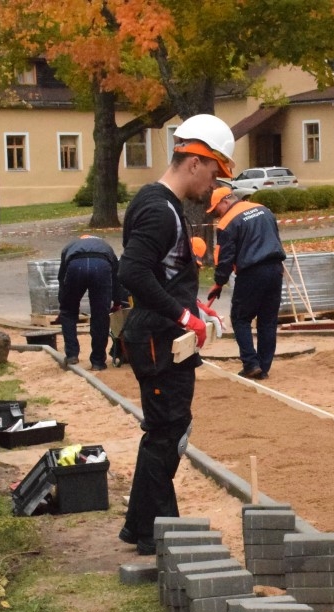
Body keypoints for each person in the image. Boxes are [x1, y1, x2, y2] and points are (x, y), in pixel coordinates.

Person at [115, 113, 235, 556]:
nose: (215, 184)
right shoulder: (159, 209)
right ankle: (155, 532)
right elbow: (132, 272)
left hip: (165, 336)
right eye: (215, 172)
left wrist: (196, 307)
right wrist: (184, 319)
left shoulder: (162, 205)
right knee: (168, 432)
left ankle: (148, 527)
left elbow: (163, 276)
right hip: (158, 340)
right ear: (194, 162)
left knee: (169, 429)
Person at [205, 186, 286, 379]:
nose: (217, 214)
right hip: (275, 269)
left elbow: (225, 257)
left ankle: (250, 364)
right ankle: (263, 367)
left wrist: (219, 283)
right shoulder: (264, 210)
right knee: (268, 321)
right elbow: (275, 238)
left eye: (217, 209)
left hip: (251, 272)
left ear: (225, 201)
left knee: (240, 318)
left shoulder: (227, 223)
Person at [57, 234, 119, 370]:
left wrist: (63, 303)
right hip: (101, 266)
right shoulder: (106, 246)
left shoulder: (70, 245)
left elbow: (62, 277)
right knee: (100, 316)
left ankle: (72, 355)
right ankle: (97, 361)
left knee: (68, 313)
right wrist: (118, 301)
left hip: (75, 266)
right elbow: (116, 277)